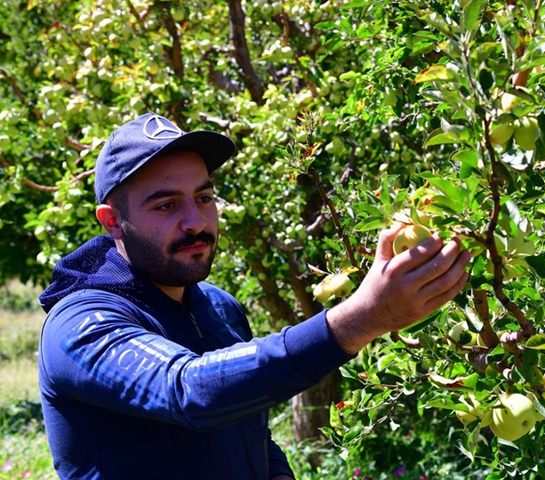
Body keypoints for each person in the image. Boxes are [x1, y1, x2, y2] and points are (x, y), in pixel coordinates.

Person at [37, 113, 470, 479]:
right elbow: (188, 389)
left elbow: (246, 424)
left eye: (204, 197)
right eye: (166, 205)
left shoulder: (218, 306)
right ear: (113, 221)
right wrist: (361, 317)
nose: (195, 221)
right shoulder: (80, 324)